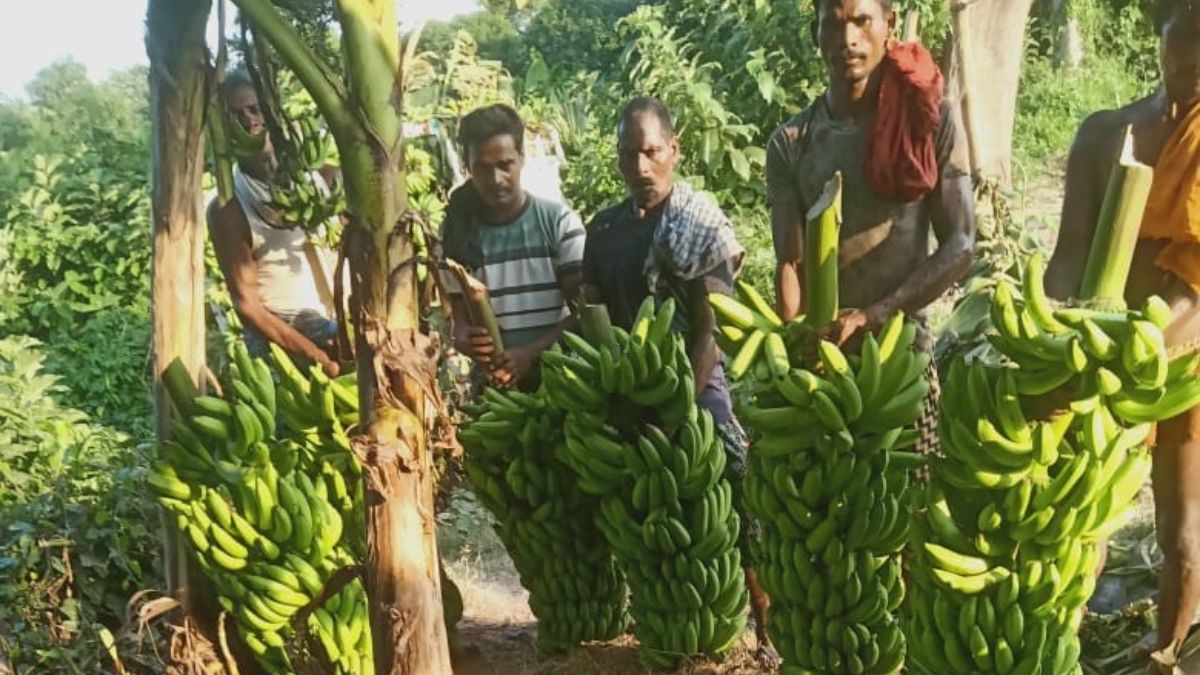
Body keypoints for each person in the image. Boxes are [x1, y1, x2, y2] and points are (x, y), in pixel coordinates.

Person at [581, 96, 777, 666]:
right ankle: (664, 634)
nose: (640, 167)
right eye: (628, 155)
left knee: (735, 503)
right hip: (627, 389)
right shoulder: (605, 231)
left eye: (650, 152)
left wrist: (679, 407)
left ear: (674, 151)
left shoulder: (699, 222)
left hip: (695, 385)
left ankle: (765, 632)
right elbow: (593, 315)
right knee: (645, 522)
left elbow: (711, 326)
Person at [1046, 0, 1200, 667]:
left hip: (1184, 348)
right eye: (1189, 29)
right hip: (1096, 347)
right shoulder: (1105, 134)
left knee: (1184, 530)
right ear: (1159, 25)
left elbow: (1195, 285)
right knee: (1082, 515)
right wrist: (1048, 340)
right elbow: (1066, 260)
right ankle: (1058, 641)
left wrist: (1146, 348)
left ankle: (1165, 649)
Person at [768, 0, 975, 346]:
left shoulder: (926, 122)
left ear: (889, 24)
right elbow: (790, 264)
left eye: (862, 21)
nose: (848, 39)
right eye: (832, 25)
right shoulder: (791, 143)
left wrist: (879, 313)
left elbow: (961, 243)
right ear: (814, 34)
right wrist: (796, 342)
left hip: (902, 348)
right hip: (822, 352)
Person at [440, 103, 585, 389]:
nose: (496, 180)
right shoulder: (457, 232)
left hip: (562, 384)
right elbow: (457, 317)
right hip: (495, 389)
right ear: (467, 166)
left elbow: (584, 313)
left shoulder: (558, 224)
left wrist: (530, 354)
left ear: (521, 157)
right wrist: (465, 337)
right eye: (482, 168)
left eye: (505, 165)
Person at [207, 72, 341, 377]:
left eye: (255, 109)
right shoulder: (229, 208)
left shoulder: (324, 179)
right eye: (236, 116)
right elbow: (248, 306)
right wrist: (317, 356)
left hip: (342, 329)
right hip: (284, 341)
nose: (249, 121)